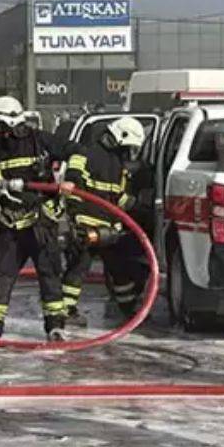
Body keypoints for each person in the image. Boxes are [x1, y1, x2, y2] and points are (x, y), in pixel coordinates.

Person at [0, 96, 79, 342]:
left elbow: (77, 151)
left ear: (10, 122)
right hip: (10, 223)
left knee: (49, 274)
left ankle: (55, 327)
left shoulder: (41, 141)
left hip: (41, 221)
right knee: (0, 275)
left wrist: (71, 178)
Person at [58, 116, 148, 326]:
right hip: (86, 224)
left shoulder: (118, 166)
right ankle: (64, 311)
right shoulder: (86, 152)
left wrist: (142, 208)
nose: (129, 153)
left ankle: (128, 307)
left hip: (108, 228)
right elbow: (73, 173)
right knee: (78, 268)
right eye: (128, 147)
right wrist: (71, 192)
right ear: (120, 137)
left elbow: (119, 197)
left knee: (119, 268)